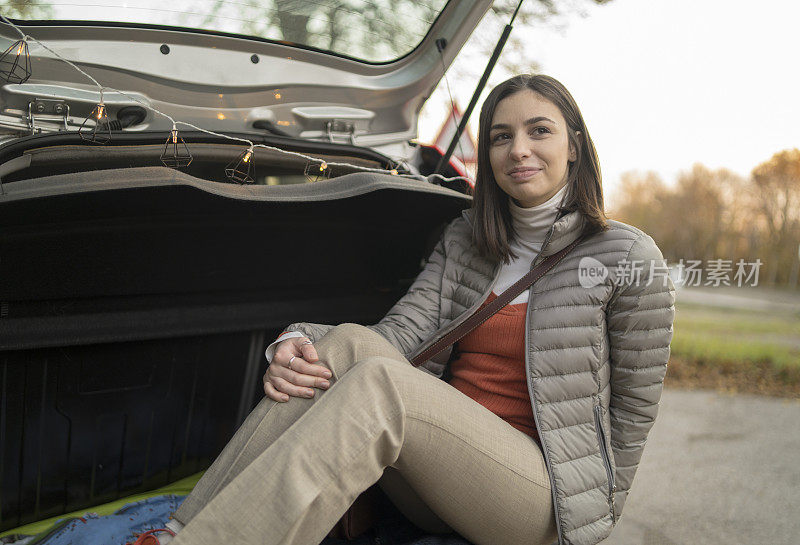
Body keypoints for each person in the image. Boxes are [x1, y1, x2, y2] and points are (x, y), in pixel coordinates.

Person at [161, 74, 675, 545]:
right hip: (437, 472)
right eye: (500, 137)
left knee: (384, 387)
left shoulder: (627, 258)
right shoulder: (466, 239)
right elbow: (397, 335)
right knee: (341, 347)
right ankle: (177, 534)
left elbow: (633, 412)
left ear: (574, 146)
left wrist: (592, 522)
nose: (519, 150)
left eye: (539, 131)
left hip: (540, 500)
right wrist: (298, 339)